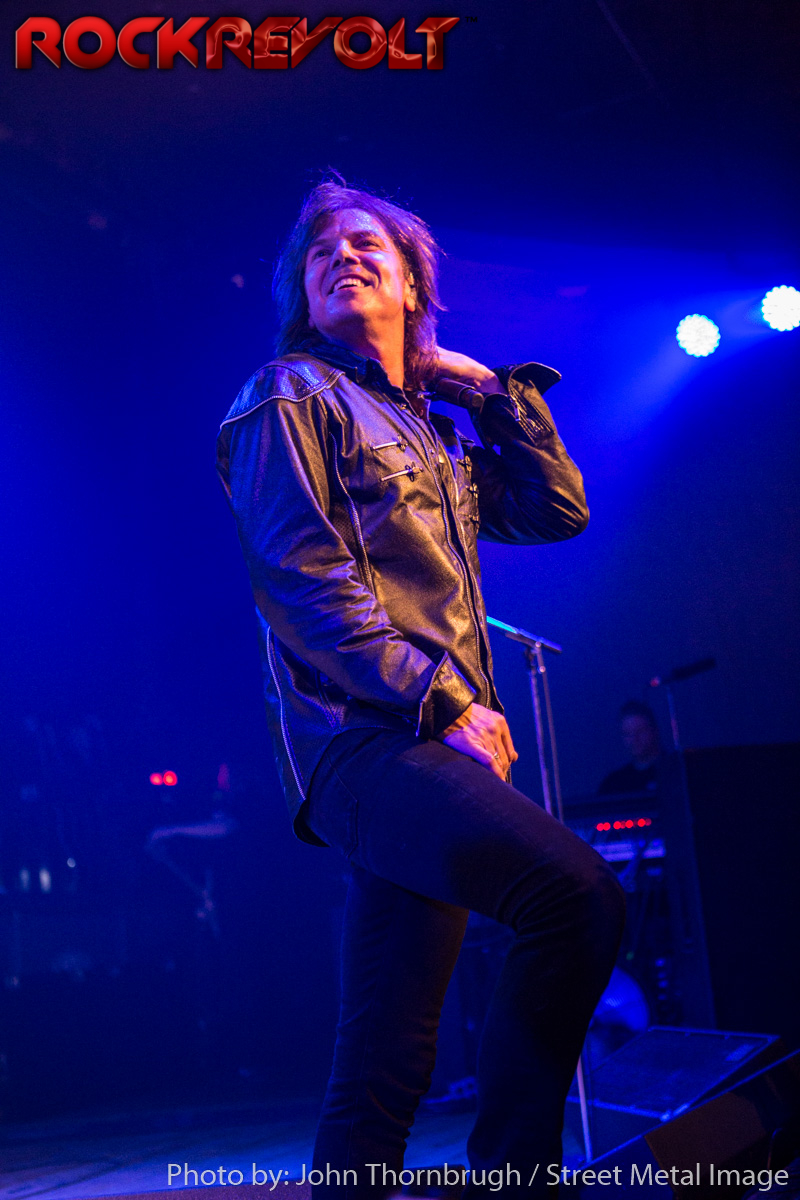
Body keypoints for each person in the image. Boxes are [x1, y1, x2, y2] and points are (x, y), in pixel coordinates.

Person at [216, 180, 625, 1197]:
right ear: (302, 296)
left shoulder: (435, 434)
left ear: (412, 284)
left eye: (367, 246)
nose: (342, 258)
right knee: (573, 898)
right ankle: (517, 1180)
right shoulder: (287, 396)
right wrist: (444, 702)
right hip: (365, 743)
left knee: (385, 1052)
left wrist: (483, 389)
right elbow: (302, 583)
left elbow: (556, 511)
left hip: (423, 744)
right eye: (320, 255)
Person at [598, 701, 663, 796]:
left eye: (640, 731)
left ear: (654, 731)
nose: (634, 739)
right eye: (627, 734)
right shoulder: (613, 784)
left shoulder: (678, 772)